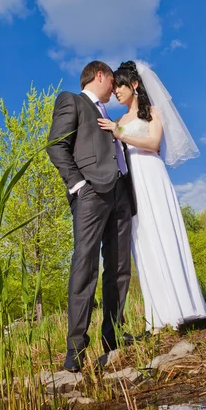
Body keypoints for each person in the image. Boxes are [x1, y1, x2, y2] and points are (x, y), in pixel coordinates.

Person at [98, 60, 206, 332]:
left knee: (166, 235)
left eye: (121, 86)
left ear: (135, 84)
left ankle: (188, 307)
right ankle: (161, 316)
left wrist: (120, 133)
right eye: (114, 88)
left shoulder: (152, 113)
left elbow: (153, 144)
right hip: (133, 186)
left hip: (153, 177)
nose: (116, 92)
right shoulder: (119, 121)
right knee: (145, 242)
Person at [47, 61, 136, 373]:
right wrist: (78, 184)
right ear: (101, 75)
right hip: (90, 195)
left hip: (120, 194)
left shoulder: (108, 114)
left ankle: (113, 338)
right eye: (112, 80)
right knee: (85, 267)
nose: (115, 87)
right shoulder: (72, 101)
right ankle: (75, 349)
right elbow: (56, 145)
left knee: (119, 268)